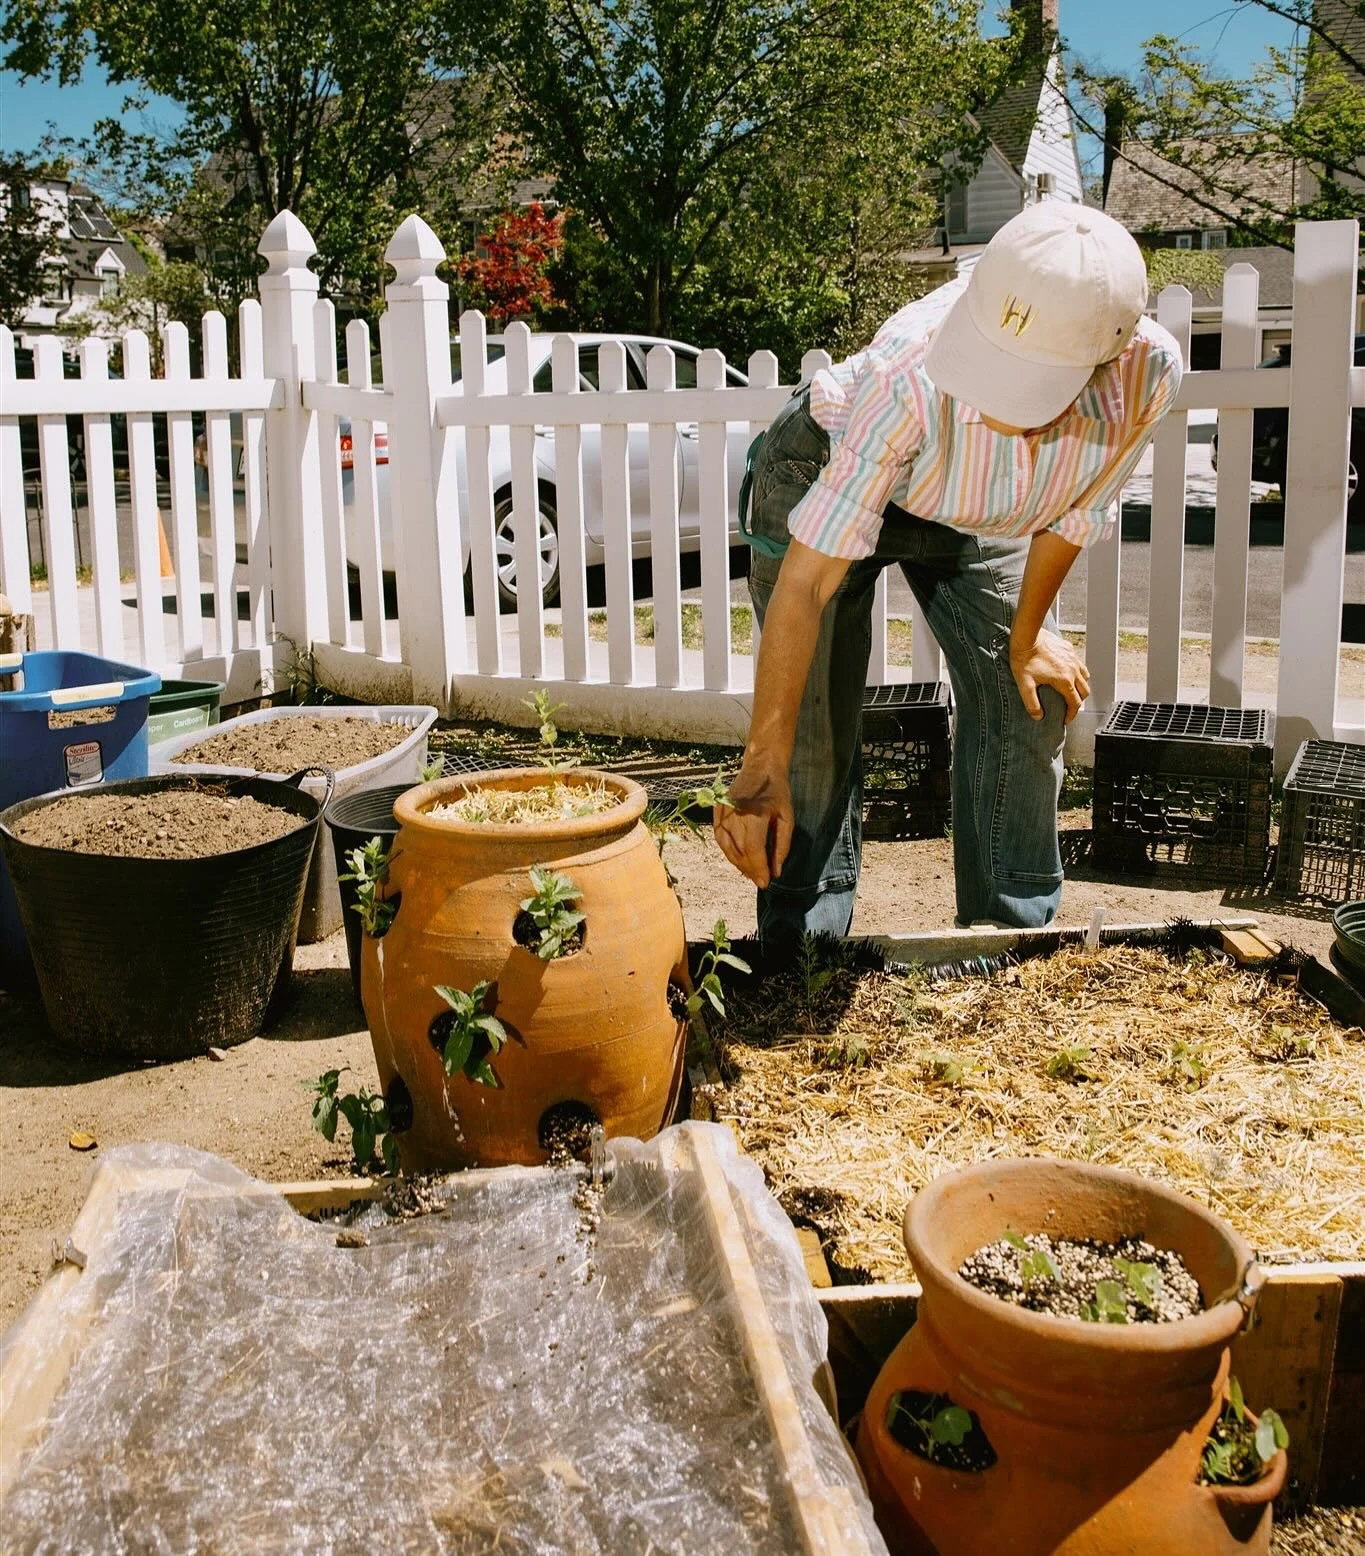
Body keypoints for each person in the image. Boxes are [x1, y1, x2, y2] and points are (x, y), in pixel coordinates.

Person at [713, 201, 1182, 942]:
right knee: (810, 732)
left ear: (1104, 359)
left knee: (1033, 696)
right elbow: (805, 585)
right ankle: (803, 943)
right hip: (829, 464)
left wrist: (1026, 638)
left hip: (972, 508)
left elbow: (1073, 514)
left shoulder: (1147, 373)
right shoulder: (907, 372)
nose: (993, 399)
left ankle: (1010, 937)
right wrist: (759, 762)